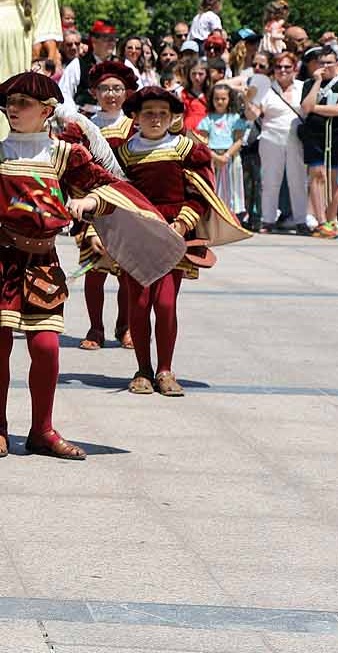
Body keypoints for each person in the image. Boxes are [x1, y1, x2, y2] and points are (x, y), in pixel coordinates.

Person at [0, 71, 182, 459]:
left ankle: (42, 430)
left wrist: (88, 204)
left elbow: (106, 187)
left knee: (46, 348)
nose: (13, 109)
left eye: (23, 103)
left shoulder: (66, 155)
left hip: (42, 262)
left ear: (47, 110)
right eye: (9, 103)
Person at [116, 86, 250, 396]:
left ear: (173, 117)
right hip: (138, 238)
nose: (156, 118)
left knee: (164, 303)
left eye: (163, 113)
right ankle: (142, 370)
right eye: (149, 113)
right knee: (138, 304)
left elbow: (200, 195)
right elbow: (115, 196)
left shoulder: (186, 150)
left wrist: (180, 223)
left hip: (174, 237)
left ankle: (165, 369)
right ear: (135, 116)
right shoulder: (123, 154)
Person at [65, 59, 138, 351]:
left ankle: (125, 326)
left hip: (126, 206)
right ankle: (96, 328)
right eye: (105, 89)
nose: (111, 94)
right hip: (93, 207)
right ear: (93, 92)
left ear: (126, 93)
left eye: (117, 89)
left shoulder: (134, 127)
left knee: (126, 274)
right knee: (93, 271)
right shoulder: (85, 126)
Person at [298, 46, 338, 238]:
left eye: (329, 62)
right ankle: (321, 221)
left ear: (336, 64)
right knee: (317, 174)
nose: (326, 66)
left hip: (337, 134)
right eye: (322, 63)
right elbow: (305, 106)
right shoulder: (308, 84)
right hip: (314, 134)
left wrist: (315, 108)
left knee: (332, 177)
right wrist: (317, 81)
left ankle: (331, 219)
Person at [255, 52, 307, 232]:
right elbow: (254, 114)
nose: (283, 70)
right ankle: (267, 220)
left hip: (296, 138)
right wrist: (248, 101)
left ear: (295, 69)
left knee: (298, 180)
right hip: (271, 138)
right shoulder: (267, 90)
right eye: (278, 67)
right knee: (270, 180)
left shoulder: (303, 87)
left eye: (287, 67)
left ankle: (301, 221)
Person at [198, 84, 249, 218]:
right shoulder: (207, 119)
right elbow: (203, 141)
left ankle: (232, 215)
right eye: (216, 99)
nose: (220, 102)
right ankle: (215, 215)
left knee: (232, 188)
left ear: (229, 100)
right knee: (215, 187)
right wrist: (215, 157)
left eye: (223, 99)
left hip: (230, 157)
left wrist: (226, 155)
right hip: (213, 157)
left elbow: (239, 140)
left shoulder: (235, 118)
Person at [60, 20, 118, 113]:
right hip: (85, 120)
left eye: (114, 38)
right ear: (94, 40)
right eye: (106, 38)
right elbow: (64, 94)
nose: (111, 42)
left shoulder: (120, 65)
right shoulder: (78, 64)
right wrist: (74, 117)